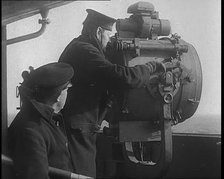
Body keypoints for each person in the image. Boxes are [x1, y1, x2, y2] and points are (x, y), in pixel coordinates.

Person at [59, 9, 166, 178]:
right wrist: (151, 67)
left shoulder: (80, 46)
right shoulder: (84, 51)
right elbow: (123, 77)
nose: (109, 42)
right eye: (108, 36)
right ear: (98, 31)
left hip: (81, 126)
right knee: (82, 175)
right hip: (77, 128)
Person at [8, 62, 92, 179]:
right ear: (58, 95)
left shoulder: (44, 119)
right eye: (67, 89)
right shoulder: (31, 130)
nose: (67, 93)